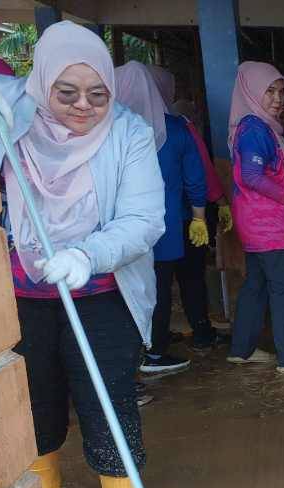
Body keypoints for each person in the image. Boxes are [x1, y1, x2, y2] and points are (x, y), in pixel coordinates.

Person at [0, 21, 165, 488]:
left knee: (108, 395)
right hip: (19, 294)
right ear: (42, 84)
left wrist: (89, 254)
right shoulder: (11, 117)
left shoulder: (129, 133)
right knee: (35, 393)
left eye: (97, 94)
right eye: (67, 92)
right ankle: (44, 486)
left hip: (103, 292)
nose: (83, 105)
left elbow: (145, 218)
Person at [226, 62, 284, 373]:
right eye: (269, 91)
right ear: (252, 92)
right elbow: (252, 175)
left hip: (257, 224)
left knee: (256, 286)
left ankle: (242, 349)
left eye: (280, 91)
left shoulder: (258, 126)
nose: (277, 98)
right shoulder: (254, 128)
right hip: (269, 224)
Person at [116, 61, 207, 375]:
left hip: (119, 229)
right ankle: (154, 351)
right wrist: (199, 217)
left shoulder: (111, 129)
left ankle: (130, 354)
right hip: (163, 227)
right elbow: (195, 179)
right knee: (158, 288)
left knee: (125, 289)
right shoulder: (177, 128)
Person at [148, 64, 233, 349]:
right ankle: (200, 332)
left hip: (137, 226)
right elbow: (201, 172)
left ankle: (153, 344)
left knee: (153, 285)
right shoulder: (177, 126)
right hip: (183, 217)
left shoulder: (120, 127)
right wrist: (217, 202)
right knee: (191, 277)